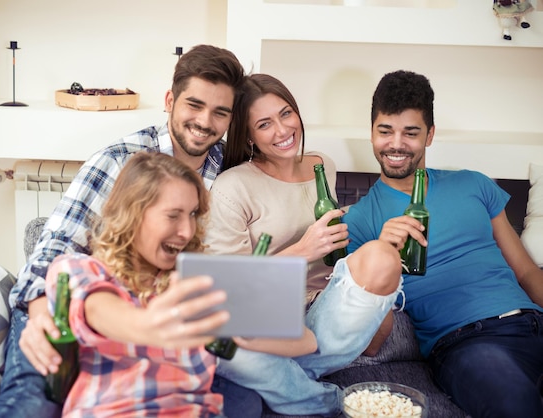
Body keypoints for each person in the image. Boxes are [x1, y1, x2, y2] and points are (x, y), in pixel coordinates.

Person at [0, 44, 257, 418]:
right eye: (194, 105)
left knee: (242, 404)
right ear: (170, 100)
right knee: (32, 405)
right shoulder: (121, 160)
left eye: (220, 112)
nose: (205, 122)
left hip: (150, 310)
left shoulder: (227, 170)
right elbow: (56, 249)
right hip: (67, 304)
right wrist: (43, 314)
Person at [342, 69, 543, 418]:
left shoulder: (474, 185)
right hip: (468, 343)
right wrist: (384, 254)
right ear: (371, 133)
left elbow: (525, 270)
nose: (396, 144)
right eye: (385, 131)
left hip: (532, 322)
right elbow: (373, 343)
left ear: (430, 135)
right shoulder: (359, 221)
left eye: (411, 132)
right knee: (515, 405)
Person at [204, 73, 404, 416]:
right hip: (263, 324)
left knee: (383, 257)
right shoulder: (232, 187)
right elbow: (231, 293)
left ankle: (278, 378)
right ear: (248, 135)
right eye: (264, 124)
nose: (282, 131)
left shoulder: (322, 164)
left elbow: (334, 244)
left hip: (327, 313)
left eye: (286, 114)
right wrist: (300, 251)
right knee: (219, 345)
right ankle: (322, 400)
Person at [45, 152, 230, 416]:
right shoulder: (76, 270)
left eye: (191, 214)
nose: (187, 231)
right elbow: (99, 310)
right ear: (133, 214)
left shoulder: (195, 284)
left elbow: (302, 342)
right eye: (173, 215)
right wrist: (151, 325)